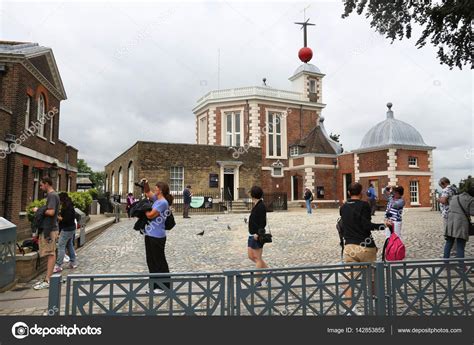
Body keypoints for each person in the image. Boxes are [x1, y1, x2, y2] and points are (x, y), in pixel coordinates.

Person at [340, 182, 386, 315]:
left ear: (349, 193)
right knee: (372, 277)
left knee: (350, 280)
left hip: (349, 247)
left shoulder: (343, 208)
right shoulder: (364, 205)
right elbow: (367, 226)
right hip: (366, 247)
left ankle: (350, 310)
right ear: (360, 193)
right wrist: (384, 226)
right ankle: (374, 304)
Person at [144, 181, 173, 294]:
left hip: (157, 236)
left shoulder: (163, 203)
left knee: (159, 261)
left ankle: (163, 287)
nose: (154, 189)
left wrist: (143, 210)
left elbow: (150, 215)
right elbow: (147, 192)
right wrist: (146, 183)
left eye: (156, 188)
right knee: (151, 261)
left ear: (160, 190)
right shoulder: (157, 199)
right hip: (150, 234)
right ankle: (154, 285)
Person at [32, 177, 60, 290]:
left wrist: (38, 210)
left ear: (47, 184)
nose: (40, 187)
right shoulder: (52, 195)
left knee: (51, 254)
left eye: (41, 185)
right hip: (50, 228)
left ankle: (48, 280)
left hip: (50, 229)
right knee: (50, 253)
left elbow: (52, 212)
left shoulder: (52, 195)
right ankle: (47, 279)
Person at [247, 186, 269, 286]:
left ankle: (258, 280)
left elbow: (263, 222)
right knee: (251, 256)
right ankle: (269, 271)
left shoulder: (261, 206)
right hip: (251, 234)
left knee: (257, 258)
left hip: (257, 235)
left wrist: (258, 233)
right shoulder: (256, 204)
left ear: (253, 195)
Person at [443, 186, 474, 259]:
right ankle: (461, 266)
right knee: (460, 244)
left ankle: (445, 262)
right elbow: (472, 212)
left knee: (449, 242)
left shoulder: (454, 197)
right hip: (461, 223)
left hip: (450, 221)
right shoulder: (471, 199)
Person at [54, 192, 78, 273]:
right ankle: (73, 262)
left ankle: (58, 265)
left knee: (61, 246)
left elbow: (65, 220)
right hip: (72, 228)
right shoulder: (70, 206)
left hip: (67, 229)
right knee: (69, 244)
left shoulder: (66, 208)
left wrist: (58, 217)